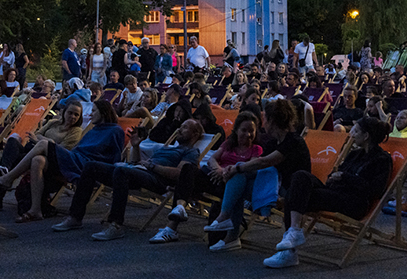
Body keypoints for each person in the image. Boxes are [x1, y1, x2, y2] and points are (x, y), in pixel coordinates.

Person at [263, 116, 393, 268]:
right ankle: (294, 233)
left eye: (356, 131)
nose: (352, 134)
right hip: (335, 193)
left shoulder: (382, 159)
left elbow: (375, 190)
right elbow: (337, 174)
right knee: (300, 176)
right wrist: (335, 177)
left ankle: (289, 251)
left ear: (366, 136)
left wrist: (345, 177)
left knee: (294, 194)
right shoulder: (354, 154)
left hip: (354, 202)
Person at [53, 119, 204, 240]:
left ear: (195, 134)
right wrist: (136, 146)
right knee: (91, 166)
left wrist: (153, 166)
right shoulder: (167, 148)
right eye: (180, 127)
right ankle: (75, 217)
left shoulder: (191, 152)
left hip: (157, 180)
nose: (179, 129)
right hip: (139, 172)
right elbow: (136, 162)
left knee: (121, 171)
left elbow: (180, 173)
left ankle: (116, 225)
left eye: (185, 127)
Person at [0, 100, 125, 222]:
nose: (91, 114)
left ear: (103, 113)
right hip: (74, 157)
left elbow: (115, 157)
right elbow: (78, 148)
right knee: (37, 160)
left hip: (83, 163)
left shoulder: (115, 130)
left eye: (94, 111)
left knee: (43, 144)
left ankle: (8, 178)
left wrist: (108, 174)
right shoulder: (93, 130)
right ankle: (35, 210)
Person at [204, 99, 310, 252]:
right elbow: (257, 167)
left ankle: (227, 225)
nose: (263, 123)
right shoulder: (274, 142)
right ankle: (229, 231)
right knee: (238, 179)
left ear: (272, 121)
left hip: (291, 192)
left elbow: (264, 162)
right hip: (273, 187)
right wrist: (231, 171)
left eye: (264, 118)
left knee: (238, 176)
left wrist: (236, 168)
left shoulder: (293, 141)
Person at [151, 112, 263, 244]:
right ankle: (174, 221)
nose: (248, 134)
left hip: (229, 185)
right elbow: (212, 159)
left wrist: (226, 172)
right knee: (188, 169)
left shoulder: (256, 149)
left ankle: (175, 218)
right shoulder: (228, 144)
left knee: (185, 185)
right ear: (237, 130)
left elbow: (250, 166)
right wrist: (218, 169)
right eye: (244, 130)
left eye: (251, 131)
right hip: (214, 176)